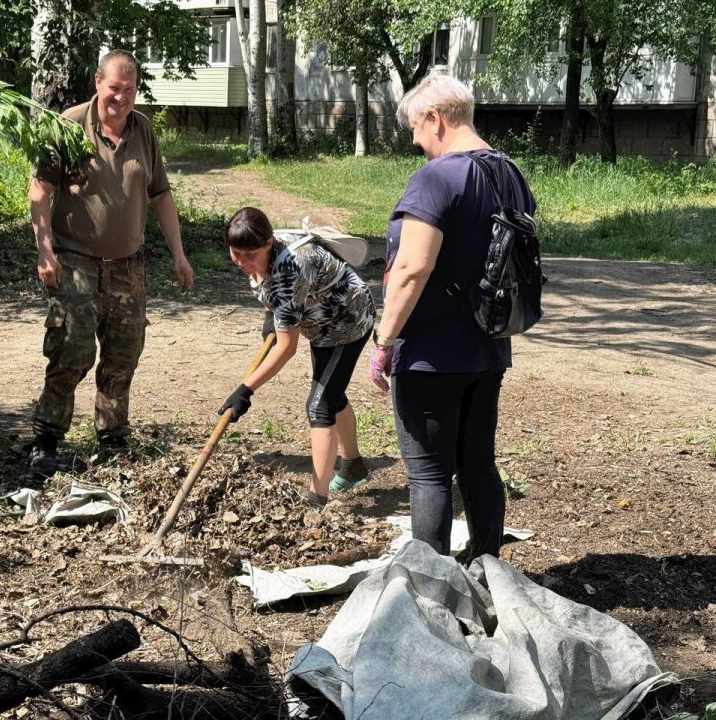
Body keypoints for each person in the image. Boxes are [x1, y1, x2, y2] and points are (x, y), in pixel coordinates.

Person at [368, 74, 536, 559]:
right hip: (488, 349)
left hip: (430, 356)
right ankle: (488, 566)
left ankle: (430, 588)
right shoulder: (508, 173)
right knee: (479, 465)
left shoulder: (437, 177)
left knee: (429, 474)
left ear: (435, 119)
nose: (418, 145)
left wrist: (383, 341)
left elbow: (411, 268)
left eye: (417, 133)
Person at [27, 50, 194, 478]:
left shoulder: (143, 132)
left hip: (127, 265)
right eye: (114, 88)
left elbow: (161, 195)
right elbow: (40, 189)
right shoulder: (68, 125)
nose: (121, 97)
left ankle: (113, 438)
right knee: (71, 350)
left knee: (123, 355)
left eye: (130, 89)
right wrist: (44, 250)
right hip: (75, 260)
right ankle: (47, 439)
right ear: (99, 83)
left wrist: (178, 253)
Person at [220, 207, 376, 508]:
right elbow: (271, 289)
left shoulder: (291, 272)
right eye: (235, 252)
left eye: (249, 254)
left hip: (347, 323)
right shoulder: (268, 248)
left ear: (268, 243)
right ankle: (353, 465)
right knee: (330, 393)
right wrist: (272, 315)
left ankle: (317, 499)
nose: (241, 261)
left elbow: (286, 348)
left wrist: (245, 389)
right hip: (320, 321)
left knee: (319, 405)